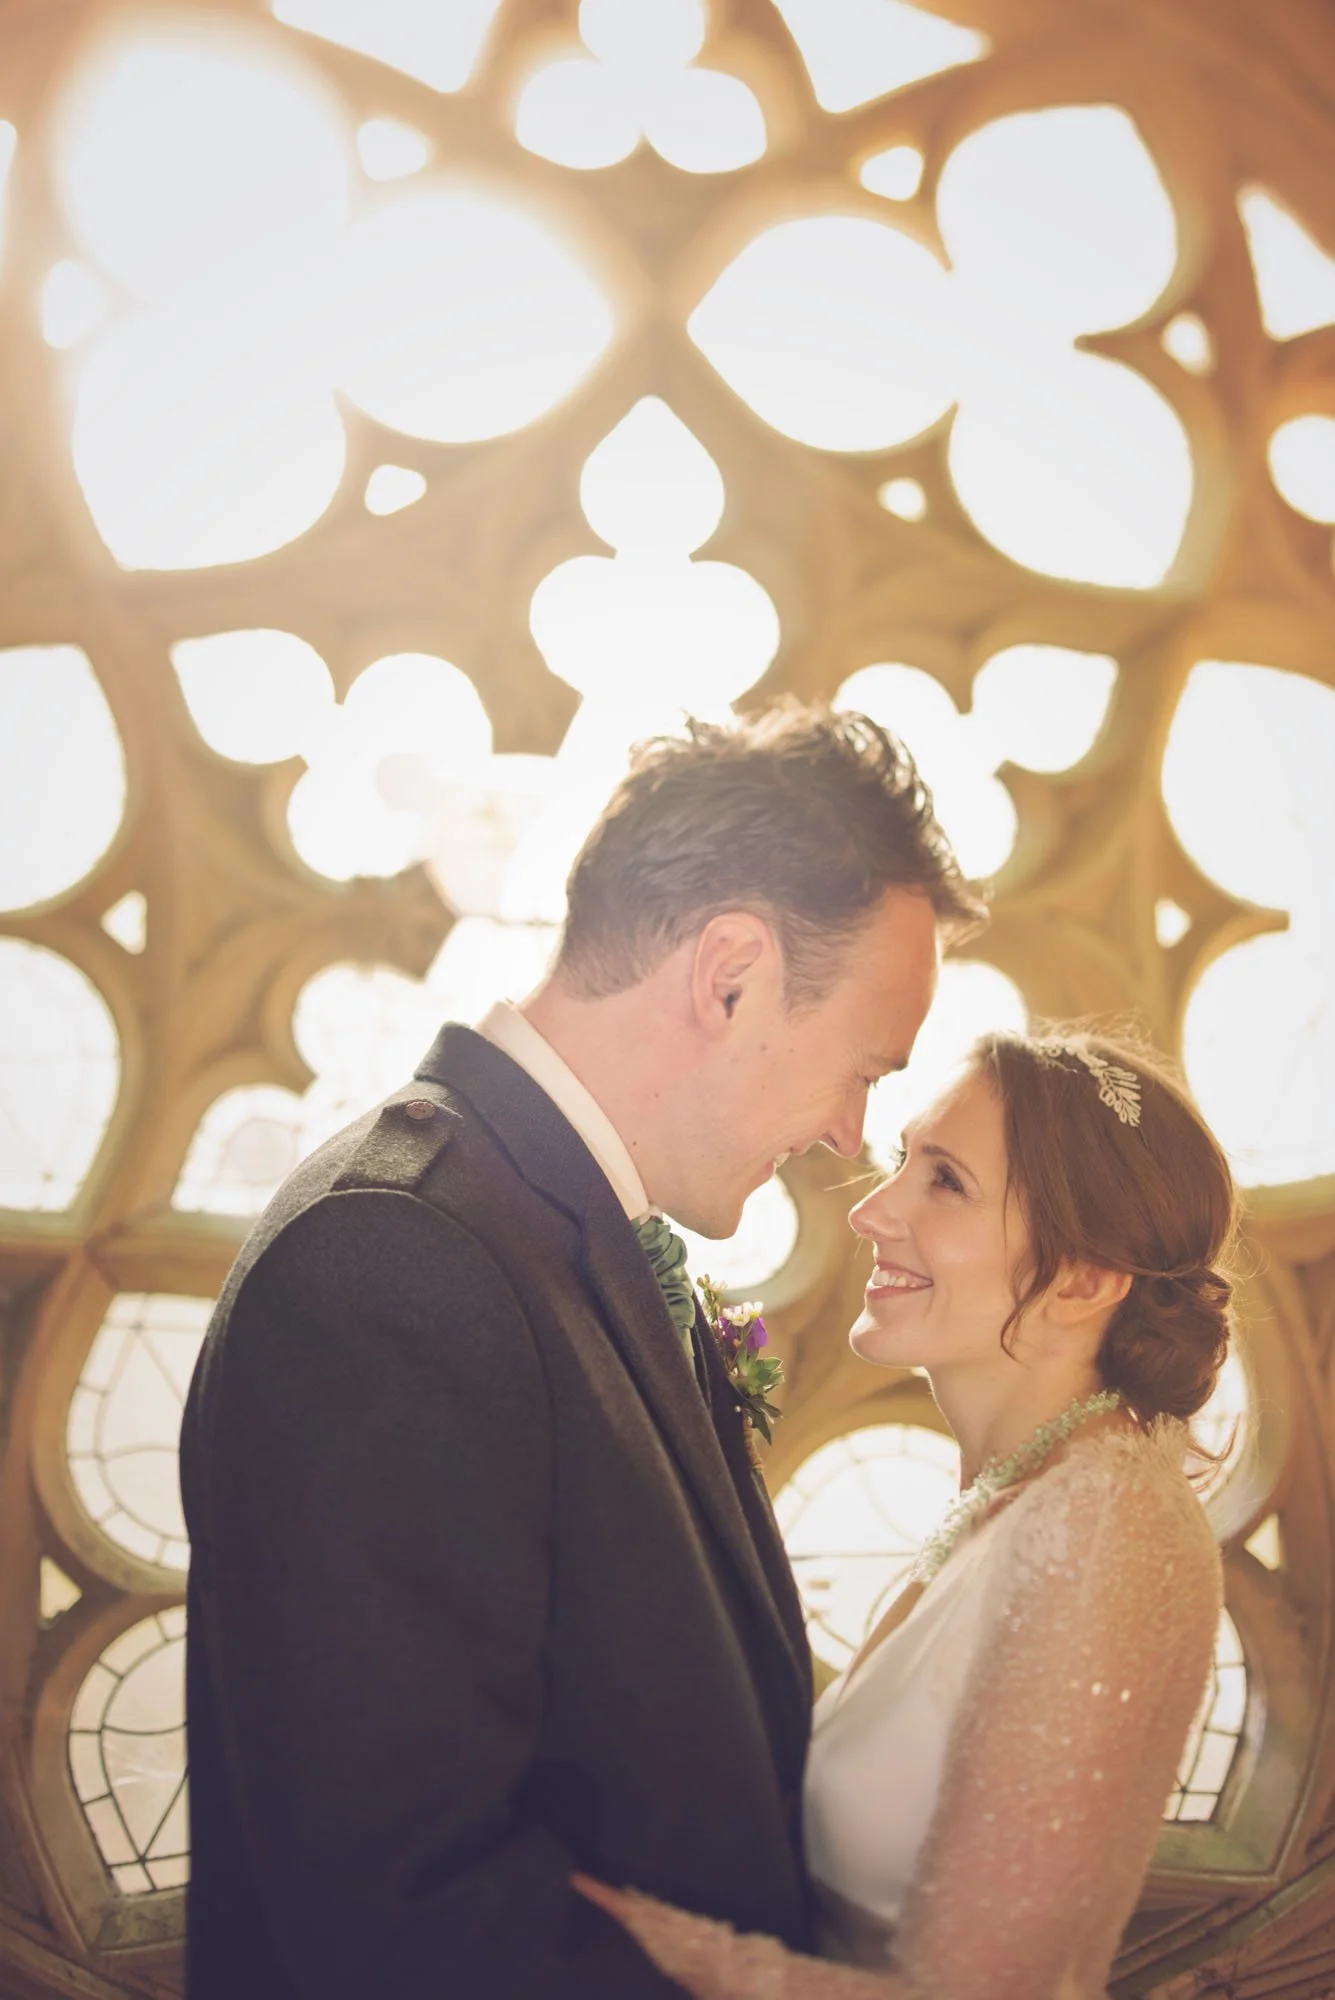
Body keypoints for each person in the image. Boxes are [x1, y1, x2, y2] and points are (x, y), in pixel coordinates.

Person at [178, 704, 984, 1999]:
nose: (849, 1134)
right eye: (861, 1070)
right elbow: (406, 1919)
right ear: (728, 974)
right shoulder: (391, 1263)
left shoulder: (543, 1227)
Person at [582, 1028, 1233, 1999]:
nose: (872, 1213)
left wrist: (643, 1938)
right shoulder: (1021, 1500)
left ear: (1087, 1279)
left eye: (947, 1181)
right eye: (902, 1162)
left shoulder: (1104, 1530)